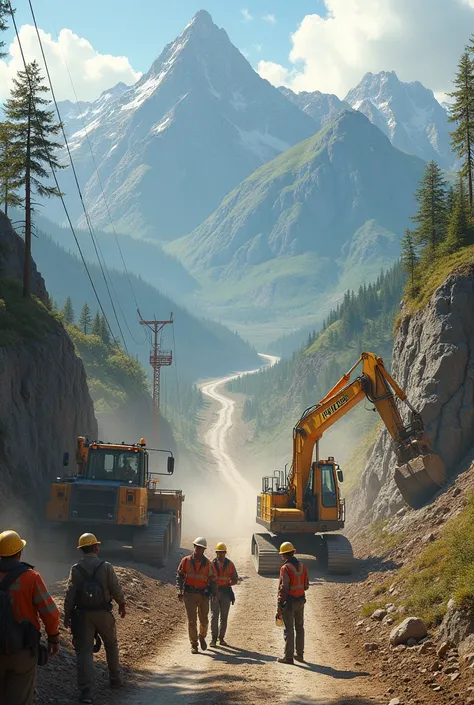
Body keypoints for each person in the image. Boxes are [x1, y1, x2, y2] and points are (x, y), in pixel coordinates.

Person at [64, 533, 126, 704]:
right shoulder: (106, 567)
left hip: (83, 616)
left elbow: (69, 594)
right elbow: (115, 588)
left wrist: (67, 614)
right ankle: (115, 679)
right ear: (95, 548)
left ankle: (86, 692)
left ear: (82, 549)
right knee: (111, 645)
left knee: (84, 652)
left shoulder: (76, 569)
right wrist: (121, 604)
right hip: (104, 613)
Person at [0, 529, 60, 705]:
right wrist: (53, 638)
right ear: (19, 553)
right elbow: (49, 611)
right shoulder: (31, 577)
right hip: (22, 650)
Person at [176, 537, 217, 654]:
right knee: (192, 621)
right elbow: (179, 576)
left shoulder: (208, 564)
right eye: (197, 548)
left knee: (204, 621)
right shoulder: (186, 561)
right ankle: (194, 644)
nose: (198, 550)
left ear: (204, 550)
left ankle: (202, 636)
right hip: (189, 595)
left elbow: (213, 580)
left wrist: (214, 593)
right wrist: (180, 590)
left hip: (203, 595)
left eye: (201, 548)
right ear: (194, 547)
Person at [276, 541, 309, 665]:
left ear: (284, 555)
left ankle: (288, 657)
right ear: (293, 552)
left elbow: (284, 587)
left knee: (289, 629)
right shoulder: (302, 566)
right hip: (300, 601)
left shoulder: (285, 568)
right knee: (299, 627)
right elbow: (306, 586)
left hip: (289, 602)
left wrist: (280, 603)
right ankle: (299, 655)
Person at [210, 542, 238, 647]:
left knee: (224, 617)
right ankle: (213, 639)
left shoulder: (230, 565)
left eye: (222, 553)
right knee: (214, 616)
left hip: (226, 593)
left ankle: (221, 638)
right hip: (215, 593)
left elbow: (235, 578)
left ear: (225, 553)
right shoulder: (211, 564)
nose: (220, 554)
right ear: (216, 553)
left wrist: (228, 585)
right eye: (218, 552)